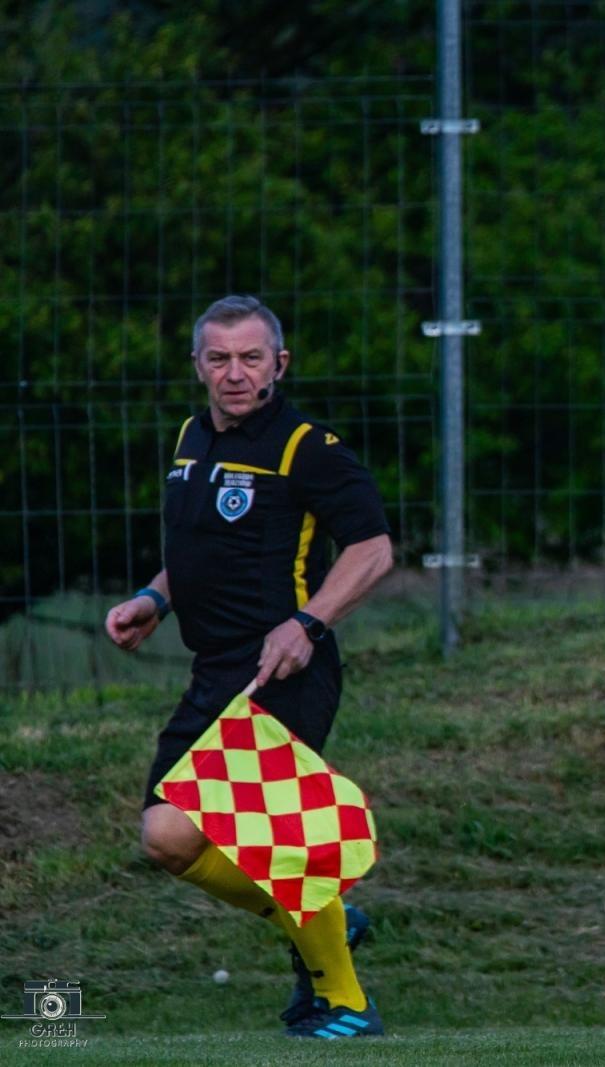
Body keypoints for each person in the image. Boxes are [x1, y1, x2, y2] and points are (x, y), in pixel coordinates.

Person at [104, 295, 394, 1040]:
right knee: (167, 838)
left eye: (252, 357)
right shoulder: (190, 438)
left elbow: (372, 550)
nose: (236, 373)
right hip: (213, 671)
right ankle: (326, 927)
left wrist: (308, 622)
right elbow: (201, 550)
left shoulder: (308, 446)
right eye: (220, 358)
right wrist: (152, 598)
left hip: (283, 671)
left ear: (279, 363)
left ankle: (346, 1003)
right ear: (198, 364)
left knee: (275, 841)